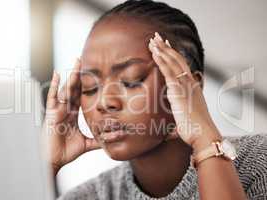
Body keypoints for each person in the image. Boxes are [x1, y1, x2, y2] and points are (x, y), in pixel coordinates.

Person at [43, 0, 267, 199]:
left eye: (131, 80)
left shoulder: (260, 163)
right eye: (90, 88)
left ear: (193, 87)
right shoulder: (89, 196)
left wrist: (206, 141)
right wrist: (44, 165)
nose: (104, 102)